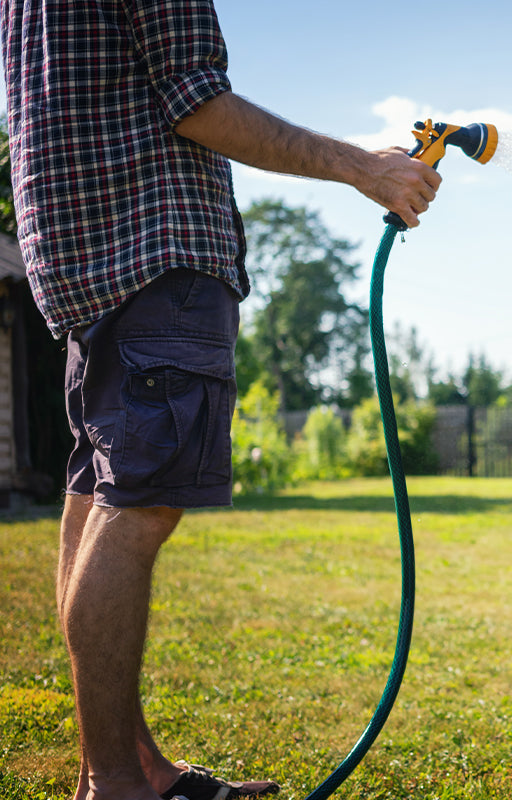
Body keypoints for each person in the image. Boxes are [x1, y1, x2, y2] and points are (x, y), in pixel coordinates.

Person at [0, 2, 442, 799]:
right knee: (136, 510)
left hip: (76, 258)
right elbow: (196, 101)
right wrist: (362, 166)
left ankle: (132, 768)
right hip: (154, 249)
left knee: (95, 496)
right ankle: (114, 785)